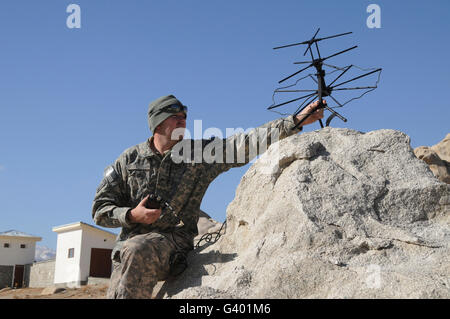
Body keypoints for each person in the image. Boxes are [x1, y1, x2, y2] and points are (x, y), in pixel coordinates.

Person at [92, 94, 324, 299]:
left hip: (173, 243)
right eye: (175, 116)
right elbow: (100, 210)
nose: (183, 120)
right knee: (129, 260)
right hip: (127, 251)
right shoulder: (129, 160)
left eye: (184, 116)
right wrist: (133, 215)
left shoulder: (197, 155)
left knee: (137, 248)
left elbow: (243, 144)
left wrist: (295, 121)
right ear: (158, 123)